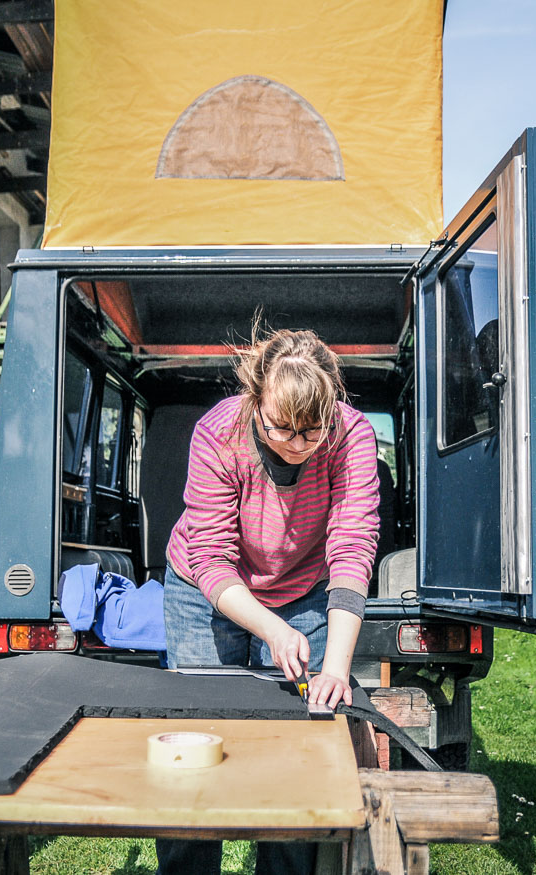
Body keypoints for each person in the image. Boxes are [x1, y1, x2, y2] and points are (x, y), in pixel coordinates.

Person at [157, 324, 381, 875]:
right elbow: (210, 558)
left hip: (303, 584)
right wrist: (274, 631)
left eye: (312, 432)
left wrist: (335, 668)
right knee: (196, 740)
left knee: (296, 742)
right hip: (204, 590)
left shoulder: (352, 437)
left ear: (332, 410)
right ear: (255, 400)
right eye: (281, 427)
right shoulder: (219, 433)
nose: (296, 445)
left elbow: (352, 548)